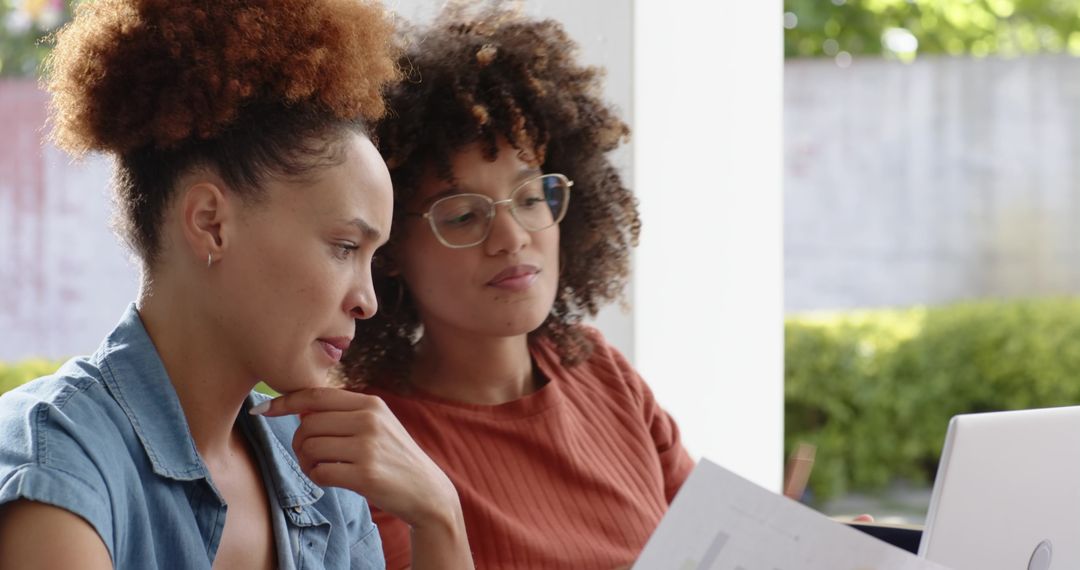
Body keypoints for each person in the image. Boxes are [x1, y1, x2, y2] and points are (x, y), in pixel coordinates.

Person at [0, 0, 472, 568]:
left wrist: (439, 515)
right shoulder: (57, 461)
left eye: (372, 257)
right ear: (211, 224)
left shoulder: (325, 477)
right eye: (345, 247)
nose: (367, 300)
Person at [337, 5, 695, 568]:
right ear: (390, 248)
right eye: (461, 216)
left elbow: (714, 545)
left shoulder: (604, 373)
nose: (511, 237)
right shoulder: (369, 437)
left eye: (531, 198)